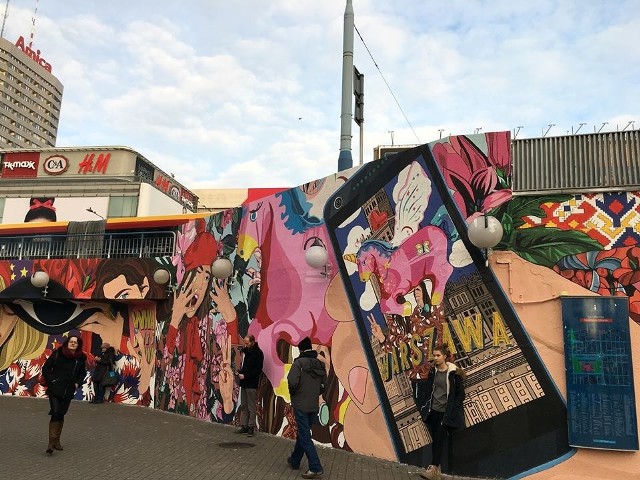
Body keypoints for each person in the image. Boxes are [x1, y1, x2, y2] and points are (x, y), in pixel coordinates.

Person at [417, 344, 466, 480]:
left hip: (446, 413)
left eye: (438, 355)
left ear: (445, 356)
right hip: (433, 411)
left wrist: (452, 408)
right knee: (436, 440)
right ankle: (437, 472)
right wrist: (425, 406)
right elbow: (429, 390)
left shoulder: (453, 373)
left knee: (438, 438)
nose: (436, 358)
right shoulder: (433, 372)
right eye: (434, 355)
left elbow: (461, 395)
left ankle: (433, 468)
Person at [286, 337, 327, 479]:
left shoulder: (299, 363)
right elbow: (324, 385)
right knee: (303, 434)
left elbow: (292, 381)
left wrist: (294, 394)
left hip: (301, 405)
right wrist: (315, 394)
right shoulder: (319, 364)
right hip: (313, 405)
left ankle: (315, 467)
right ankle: (295, 460)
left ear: (301, 349)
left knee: (304, 436)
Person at [41, 335, 88, 455]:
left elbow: (82, 373)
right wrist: (52, 380)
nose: (73, 344)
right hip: (55, 389)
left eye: (75, 342)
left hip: (69, 390)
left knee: (61, 413)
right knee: (56, 411)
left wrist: (78, 383)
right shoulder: (58, 353)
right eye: (71, 342)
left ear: (78, 345)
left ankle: (57, 441)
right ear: (67, 343)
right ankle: (51, 443)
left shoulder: (81, 357)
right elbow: (46, 368)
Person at [235, 334, 264, 437]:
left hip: (251, 383)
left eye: (247, 343)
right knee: (244, 405)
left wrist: (245, 375)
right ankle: (244, 426)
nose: (245, 345)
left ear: (252, 342)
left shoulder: (258, 354)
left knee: (251, 406)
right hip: (245, 382)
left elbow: (257, 370)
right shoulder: (246, 352)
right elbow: (245, 367)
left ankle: (251, 427)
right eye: (245, 343)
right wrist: (240, 372)